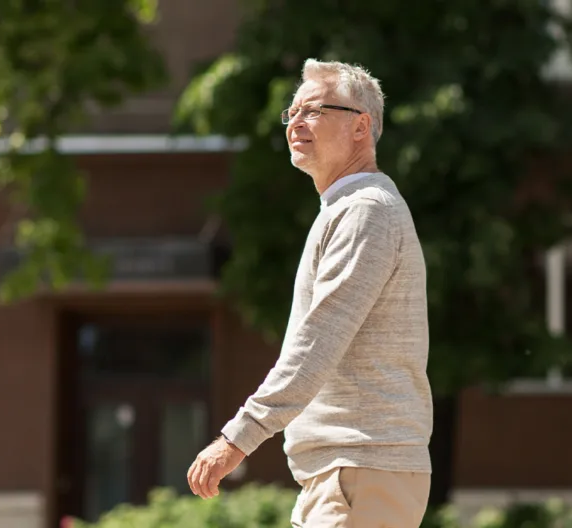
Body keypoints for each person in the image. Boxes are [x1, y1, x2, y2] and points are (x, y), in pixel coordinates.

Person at [187, 58, 433, 528]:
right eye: (292, 112)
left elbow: (319, 340)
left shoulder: (366, 211)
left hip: (359, 467)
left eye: (314, 110)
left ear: (360, 127)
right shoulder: (347, 208)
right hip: (346, 471)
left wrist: (236, 439)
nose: (295, 123)